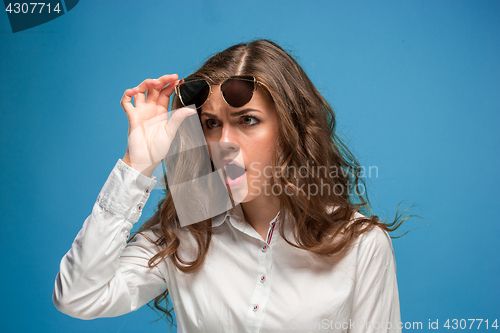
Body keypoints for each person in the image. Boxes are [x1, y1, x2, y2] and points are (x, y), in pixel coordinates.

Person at [53, 39, 404, 333]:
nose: (226, 142)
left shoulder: (360, 246)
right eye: (210, 124)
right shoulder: (186, 231)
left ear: (291, 128)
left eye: (248, 120)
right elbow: (78, 296)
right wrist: (139, 163)